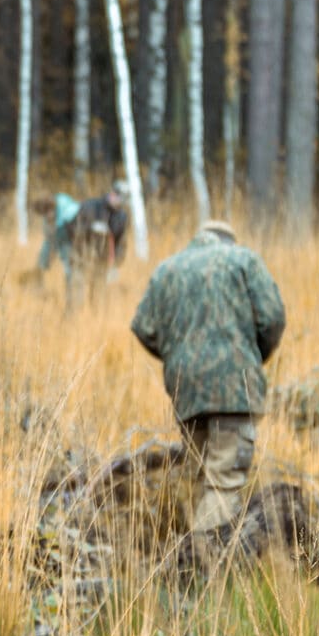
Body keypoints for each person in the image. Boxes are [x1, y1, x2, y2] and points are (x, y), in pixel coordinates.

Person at [130, 218, 287, 536]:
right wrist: (254, 356)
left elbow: (143, 326)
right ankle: (207, 566)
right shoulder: (243, 259)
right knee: (223, 479)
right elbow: (273, 318)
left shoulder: (167, 269)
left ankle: (187, 558)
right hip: (235, 387)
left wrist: (177, 358)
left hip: (186, 387)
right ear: (229, 240)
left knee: (199, 473)